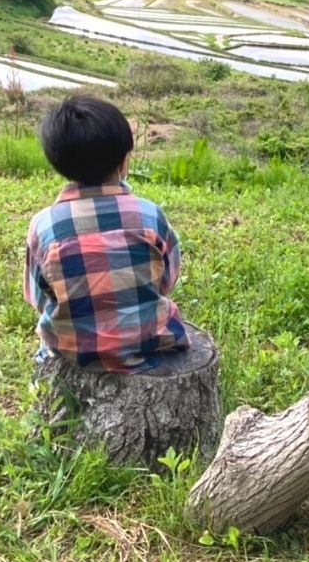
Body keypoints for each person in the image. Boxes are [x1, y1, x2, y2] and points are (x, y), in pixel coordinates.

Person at [24, 94, 189, 373]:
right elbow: (167, 278)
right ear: (125, 161)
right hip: (150, 345)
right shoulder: (149, 215)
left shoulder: (44, 226)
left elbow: (37, 298)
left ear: (58, 164)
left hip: (70, 353)